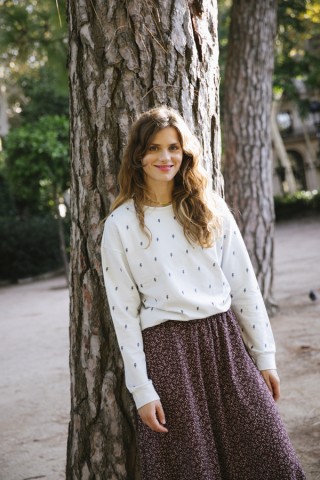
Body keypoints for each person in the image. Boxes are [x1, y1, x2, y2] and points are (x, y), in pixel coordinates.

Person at [101, 106, 306, 479]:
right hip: (167, 354)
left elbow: (245, 286)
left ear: (186, 152)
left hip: (224, 341)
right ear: (137, 155)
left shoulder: (210, 208)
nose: (165, 157)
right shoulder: (120, 225)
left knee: (269, 452)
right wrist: (142, 390)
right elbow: (123, 314)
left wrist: (265, 356)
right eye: (154, 148)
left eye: (174, 147)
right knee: (195, 466)